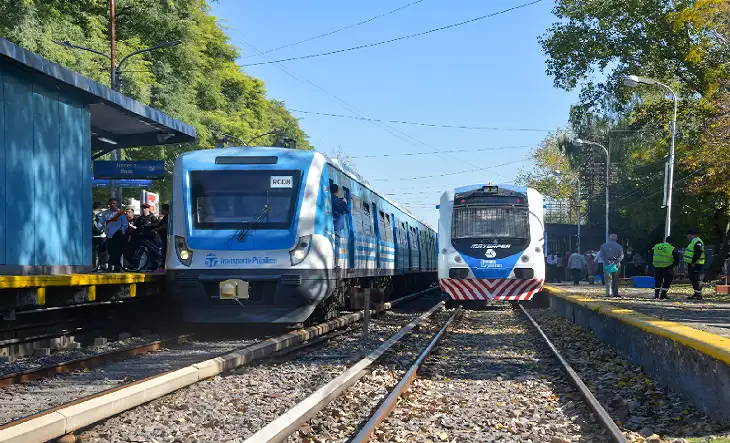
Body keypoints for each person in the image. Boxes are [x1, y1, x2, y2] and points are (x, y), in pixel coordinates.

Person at [99, 198, 128, 272]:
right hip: (109, 235)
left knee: (116, 250)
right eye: (111, 203)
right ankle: (116, 265)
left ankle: (112, 265)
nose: (112, 205)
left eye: (114, 203)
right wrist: (98, 229)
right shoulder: (105, 213)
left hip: (119, 235)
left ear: (117, 204)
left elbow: (125, 224)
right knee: (111, 250)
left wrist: (122, 232)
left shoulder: (121, 213)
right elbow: (101, 223)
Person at [684, 228, 705, 300]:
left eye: (688, 235)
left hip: (696, 264)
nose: (687, 237)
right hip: (693, 263)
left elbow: (698, 252)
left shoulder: (697, 242)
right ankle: (696, 293)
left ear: (692, 235)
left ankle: (698, 294)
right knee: (693, 278)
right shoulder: (693, 242)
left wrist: (693, 261)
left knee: (696, 278)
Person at [149, 204, 169, 271]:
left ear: (164, 209)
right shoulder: (165, 217)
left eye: (162, 209)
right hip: (164, 238)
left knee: (164, 251)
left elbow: (165, 225)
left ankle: (162, 267)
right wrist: (149, 225)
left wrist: (156, 230)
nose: (161, 210)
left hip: (166, 238)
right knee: (163, 251)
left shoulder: (167, 217)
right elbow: (159, 223)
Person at [92, 201, 107, 272]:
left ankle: (94, 266)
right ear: (100, 206)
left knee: (93, 252)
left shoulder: (90, 213)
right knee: (102, 252)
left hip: (92, 236)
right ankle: (102, 266)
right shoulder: (103, 214)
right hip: (102, 236)